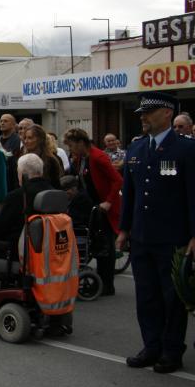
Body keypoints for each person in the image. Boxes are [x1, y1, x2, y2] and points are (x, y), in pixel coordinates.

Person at [118, 92, 195, 375]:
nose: (143, 117)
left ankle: (171, 350)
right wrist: (123, 229)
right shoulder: (137, 149)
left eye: (150, 112)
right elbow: (129, 195)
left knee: (171, 298)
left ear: (167, 113)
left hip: (172, 237)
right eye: (142, 113)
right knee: (146, 296)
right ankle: (151, 345)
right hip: (142, 236)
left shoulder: (185, 150)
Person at [0, 154, 54, 305]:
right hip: (49, 251)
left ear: (23, 174)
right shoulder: (53, 193)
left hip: (20, 253)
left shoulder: (18, 196)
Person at [63, 127, 123, 296]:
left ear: (81, 143)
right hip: (94, 205)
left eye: (72, 146)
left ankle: (107, 285)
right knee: (98, 243)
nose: (71, 150)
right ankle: (102, 281)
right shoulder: (82, 158)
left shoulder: (98, 157)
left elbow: (117, 180)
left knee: (106, 247)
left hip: (104, 206)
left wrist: (109, 202)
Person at [22, 124, 63, 188]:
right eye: (25, 138)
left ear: (40, 139)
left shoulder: (50, 160)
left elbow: (55, 185)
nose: (26, 141)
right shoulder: (23, 159)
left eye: (30, 138)